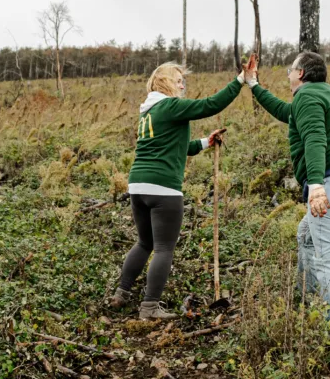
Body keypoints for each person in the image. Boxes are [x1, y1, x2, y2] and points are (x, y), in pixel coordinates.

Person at [110, 56, 256, 319]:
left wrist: (204, 142)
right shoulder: (170, 106)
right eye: (178, 81)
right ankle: (150, 308)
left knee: (144, 243)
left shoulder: (149, 112)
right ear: (165, 84)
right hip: (163, 188)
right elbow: (209, 105)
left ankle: (121, 294)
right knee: (164, 248)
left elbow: (176, 146)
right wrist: (239, 81)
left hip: (139, 186)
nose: (182, 86)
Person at [242, 52, 330, 333]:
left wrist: (316, 185)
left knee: (329, 259)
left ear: (300, 73)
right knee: (306, 237)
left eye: (290, 69)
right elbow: (285, 112)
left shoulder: (308, 96)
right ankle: (310, 305)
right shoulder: (318, 94)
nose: (287, 74)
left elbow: (314, 138)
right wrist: (253, 84)